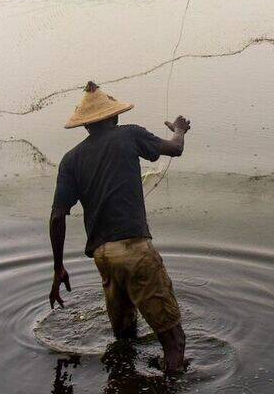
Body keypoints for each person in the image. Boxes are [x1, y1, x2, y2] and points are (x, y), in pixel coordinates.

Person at [47, 82, 192, 374]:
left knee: (125, 341)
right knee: (174, 342)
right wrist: (179, 129)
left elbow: (56, 216)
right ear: (114, 117)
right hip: (135, 251)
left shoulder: (70, 160)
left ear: (85, 125)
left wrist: (59, 267)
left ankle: (124, 381)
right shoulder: (129, 134)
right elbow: (175, 149)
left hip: (104, 257)